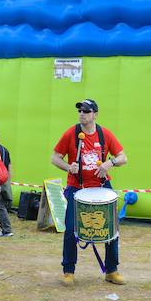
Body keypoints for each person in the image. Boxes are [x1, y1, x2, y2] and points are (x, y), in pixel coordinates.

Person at [51, 98, 128, 286]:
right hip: (77, 188)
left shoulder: (104, 134)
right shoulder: (71, 133)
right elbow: (55, 158)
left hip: (101, 187)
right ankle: (68, 271)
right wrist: (69, 167)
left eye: (86, 111)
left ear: (95, 114)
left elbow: (123, 157)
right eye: (80, 111)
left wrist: (110, 163)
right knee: (70, 229)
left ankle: (112, 271)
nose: (82, 114)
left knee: (111, 229)